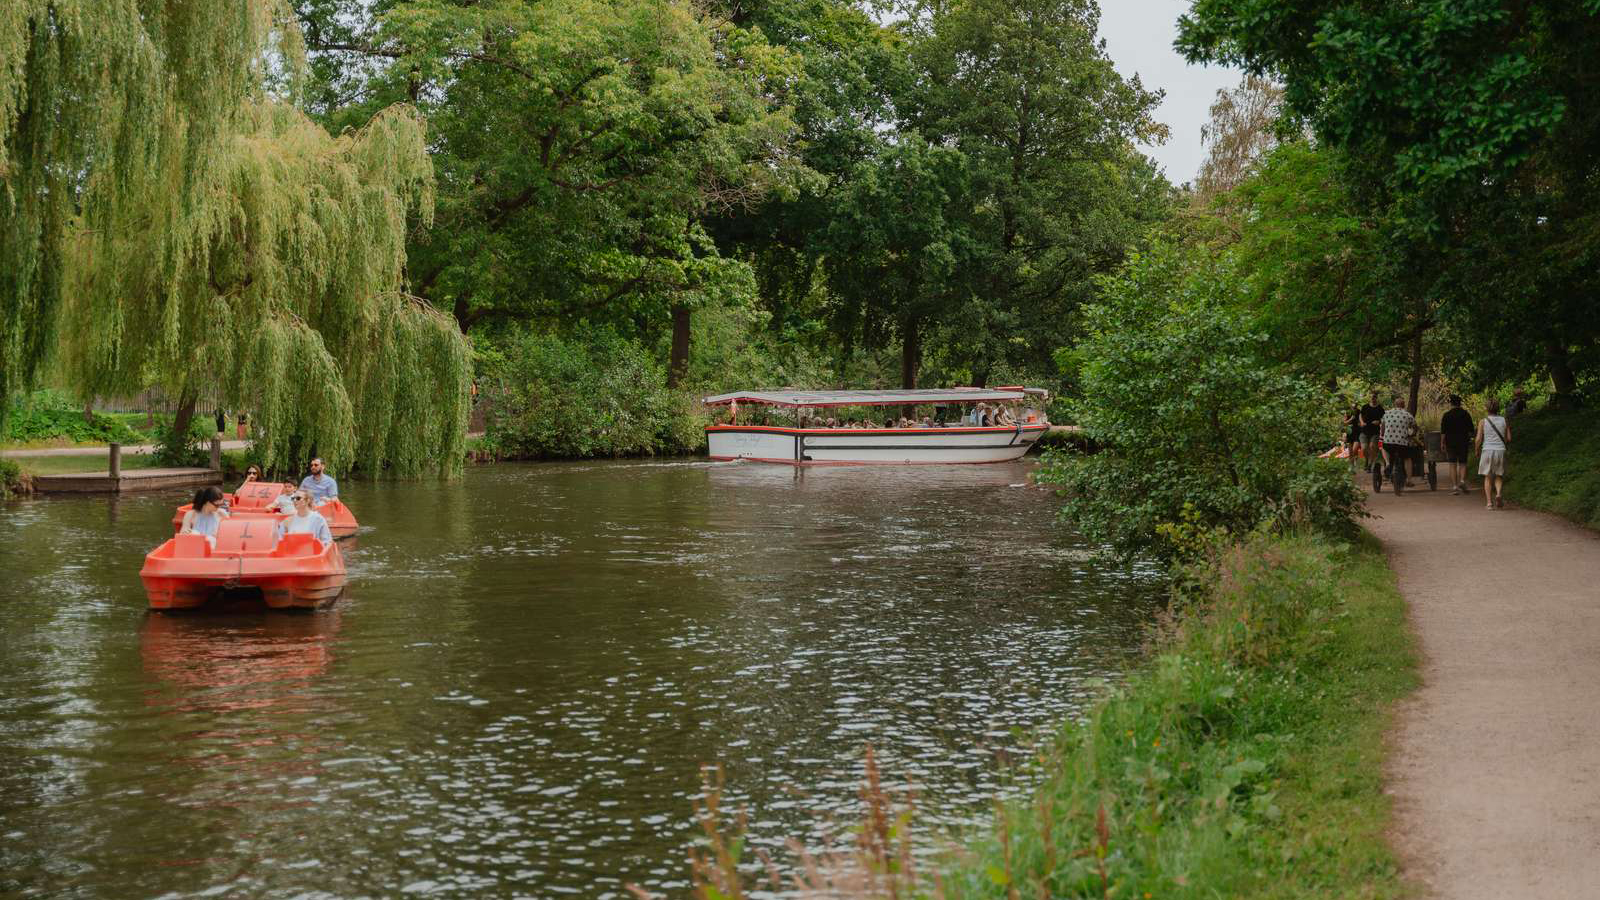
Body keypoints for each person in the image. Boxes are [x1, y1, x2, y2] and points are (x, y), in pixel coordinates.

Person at [1475, 397, 1511, 509]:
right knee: (1499, 475)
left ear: (1487, 408)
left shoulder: (1483, 421)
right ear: (1497, 408)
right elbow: (1509, 438)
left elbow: (1478, 439)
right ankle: (1499, 494)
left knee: (1488, 477)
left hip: (1487, 450)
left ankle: (1489, 503)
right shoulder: (1504, 420)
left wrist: (1476, 450)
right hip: (1500, 450)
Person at [1379, 397, 1419, 490]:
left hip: (1388, 443)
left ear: (1394, 405)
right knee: (1407, 459)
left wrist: (1383, 435)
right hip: (1402, 444)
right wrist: (1412, 434)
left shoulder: (1386, 413)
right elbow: (1415, 427)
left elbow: (1382, 429)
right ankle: (1409, 480)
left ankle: (1388, 463)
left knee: (1383, 447)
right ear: (1404, 405)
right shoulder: (1408, 415)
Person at [1439, 395, 1475, 494]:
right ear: (1460, 403)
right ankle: (1462, 481)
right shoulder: (1466, 414)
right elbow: (1471, 430)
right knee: (1463, 463)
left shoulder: (1447, 415)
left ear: (1451, 403)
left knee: (1452, 464)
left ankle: (1455, 487)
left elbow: (1443, 431)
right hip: (1463, 441)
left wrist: (1442, 443)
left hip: (1450, 442)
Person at [1358, 392, 1385, 473]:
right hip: (1364, 430)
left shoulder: (1380, 408)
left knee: (1372, 446)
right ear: (1369, 398)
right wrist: (1362, 422)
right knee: (1364, 448)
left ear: (1376, 398)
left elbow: (1384, 418)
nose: (1373, 398)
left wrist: (1379, 421)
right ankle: (1366, 460)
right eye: (1372, 397)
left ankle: (1370, 465)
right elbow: (1360, 415)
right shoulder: (1365, 406)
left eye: (1374, 397)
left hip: (1375, 431)